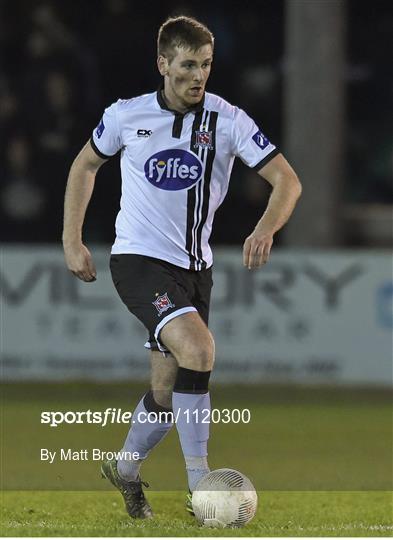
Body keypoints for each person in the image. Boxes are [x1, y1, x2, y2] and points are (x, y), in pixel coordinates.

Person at [62, 15, 302, 520]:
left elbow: (288, 181)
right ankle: (202, 487)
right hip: (138, 261)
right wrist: (72, 238)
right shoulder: (127, 116)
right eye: (189, 64)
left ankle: (125, 469)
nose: (199, 75)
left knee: (166, 395)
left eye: (207, 64)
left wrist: (265, 228)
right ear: (163, 64)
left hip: (195, 270)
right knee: (199, 347)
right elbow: (85, 164)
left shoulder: (228, 120)